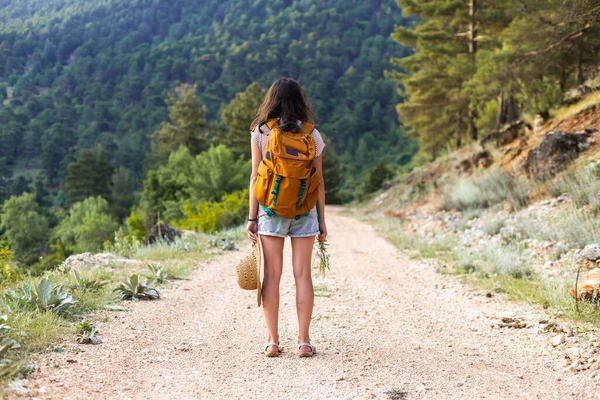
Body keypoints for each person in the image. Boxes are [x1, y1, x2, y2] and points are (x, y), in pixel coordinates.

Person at [246, 78, 327, 358]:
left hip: (270, 209)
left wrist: (252, 218)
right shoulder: (312, 134)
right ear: (300, 101)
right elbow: (319, 181)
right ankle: (304, 342)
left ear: (272, 100)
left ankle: (272, 341)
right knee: (302, 275)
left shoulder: (261, 131)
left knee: (272, 276)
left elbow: (255, 176)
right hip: (305, 210)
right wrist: (322, 222)